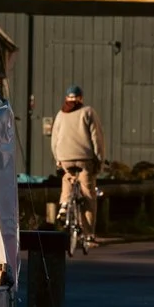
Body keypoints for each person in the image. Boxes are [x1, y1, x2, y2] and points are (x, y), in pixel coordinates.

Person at [50, 84, 104, 242]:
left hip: (64, 157)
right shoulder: (88, 112)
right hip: (84, 159)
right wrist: (99, 160)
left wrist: (58, 159)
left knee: (67, 179)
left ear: (67, 98)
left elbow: (54, 140)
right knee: (88, 195)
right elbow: (97, 139)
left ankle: (65, 203)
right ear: (81, 98)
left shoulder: (60, 114)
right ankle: (88, 235)